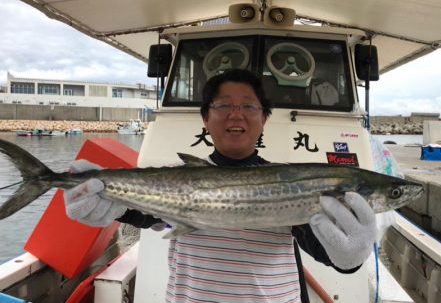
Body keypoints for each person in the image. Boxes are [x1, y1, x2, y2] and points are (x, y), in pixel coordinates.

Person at [64, 69, 378, 302]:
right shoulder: (174, 178)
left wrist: (350, 258)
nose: (236, 114)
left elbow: (327, 251)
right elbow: (140, 214)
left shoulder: (291, 181)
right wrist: (104, 201)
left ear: (264, 118)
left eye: (249, 106)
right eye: (223, 105)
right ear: (205, 117)